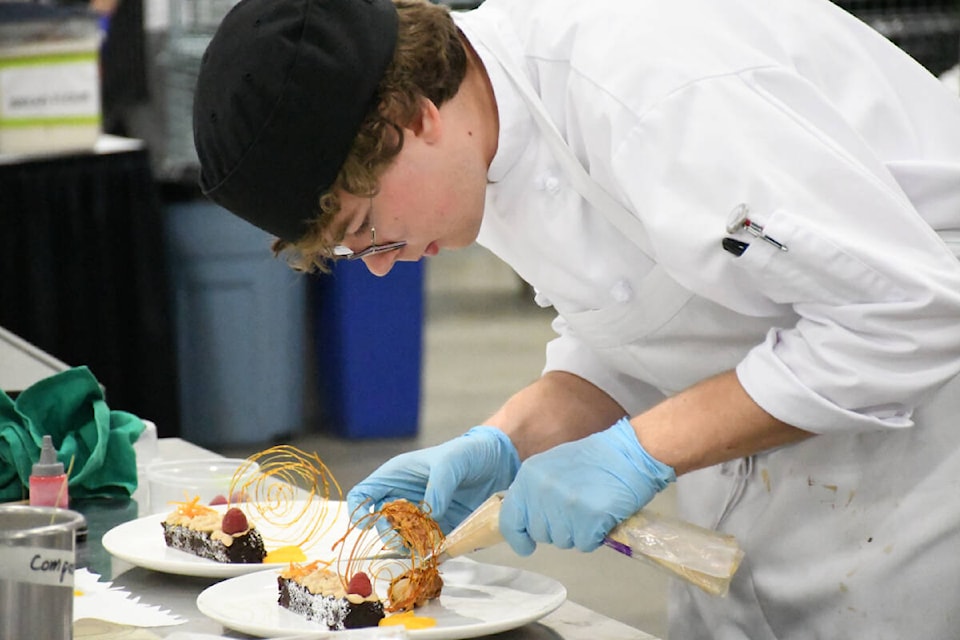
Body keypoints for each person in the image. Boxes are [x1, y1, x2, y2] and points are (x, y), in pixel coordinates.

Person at [192, 0, 960, 637]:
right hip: (762, 486)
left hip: (919, 467)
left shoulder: (653, 87)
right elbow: (642, 323)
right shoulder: (484, 147)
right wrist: (509, 440)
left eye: (365, 228)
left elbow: (904, 312)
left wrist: (639, 453)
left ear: (410, 116)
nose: (383, 262)